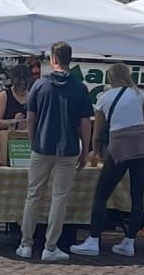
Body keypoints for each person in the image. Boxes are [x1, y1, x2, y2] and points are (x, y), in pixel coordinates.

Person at [71, 64, 144, 260]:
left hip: (119, 144)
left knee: (102, 193)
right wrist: (140, 133)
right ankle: (129, 242)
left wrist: (95, 153)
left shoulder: (104, 98)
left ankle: (93, 240)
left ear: (110, 78)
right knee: (137, 195)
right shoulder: (139, 94)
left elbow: (97, 133)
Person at [18, 42, 93, 262]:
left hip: (41, 147)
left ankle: (25, 244)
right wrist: (85, 149)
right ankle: (50, 247)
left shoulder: (40, 85)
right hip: (68, 148)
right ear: (70, 59)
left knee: (33, 194)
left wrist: (34, 140)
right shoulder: (79, 88)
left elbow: (30, 119)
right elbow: (85, 123)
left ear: (52, 59)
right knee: (59, 198)